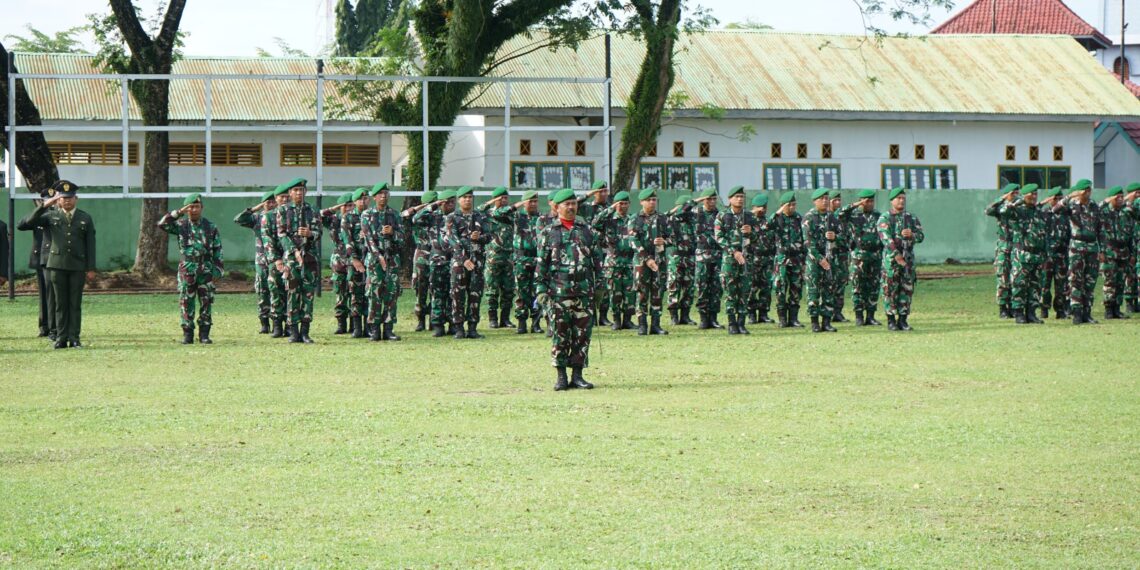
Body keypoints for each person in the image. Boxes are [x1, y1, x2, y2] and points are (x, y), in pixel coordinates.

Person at [536, 188, 603, 391]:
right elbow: (541, 264)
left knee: (582, 334)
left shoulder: (587, 230)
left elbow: (597, 261)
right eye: (567, 204)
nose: (572, 207)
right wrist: (541, 289)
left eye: (574, 203)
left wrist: (600, 288)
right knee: (560, 334)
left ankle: (578, 375)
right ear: (557, 208)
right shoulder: (548, 232)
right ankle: (561, 376)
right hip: (559, 292)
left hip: (583, 291)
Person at [17, 180, 96, 349]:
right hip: (56, 265)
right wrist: (45, 205)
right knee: (59, 303)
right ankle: (60, 337)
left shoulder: (85, 217)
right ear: (58, 200)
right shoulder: (51, 216)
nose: (67, 200)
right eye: (63, 198)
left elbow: (90, 244)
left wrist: (90, 268)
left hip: (77, 266)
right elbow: (25, 224)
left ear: (76, 199)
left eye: (70, 197)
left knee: (75, 303)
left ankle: (74, 337)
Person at [158, 193, 224, 344]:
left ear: (202, 208)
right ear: (186, 209)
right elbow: (162, 224)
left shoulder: (210, 226)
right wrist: (178, 212)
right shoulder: (181, 225)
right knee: (186, 301)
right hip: (187, 267)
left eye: (197, 207)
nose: (194, 210)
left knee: (206, 301)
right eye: (190, 207)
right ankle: (187, 334)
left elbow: (218, 249)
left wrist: (218, 269)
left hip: (206, 268)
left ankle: (204, 335)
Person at [272, 177, 321, 343]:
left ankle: (305, 331)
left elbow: (319, 232)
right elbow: (281, 234)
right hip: (292, 260)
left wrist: (310, 234)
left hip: (310, 258)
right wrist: (294, 251)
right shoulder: (283, 211)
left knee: (308, 294)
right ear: (290, 193)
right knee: (292, 294)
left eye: (301, 190)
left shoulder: (313, 210)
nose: (299, 193)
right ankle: (293, 331)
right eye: (295, 190)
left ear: (305, 192)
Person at [360, 183, 404, 341]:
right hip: (374, 260)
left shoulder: (395, 214)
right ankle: (374, 329)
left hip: (392, 258)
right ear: (374, 197)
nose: (383, 196)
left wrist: (393, 233)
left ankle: (389, 328)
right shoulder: (367, 214)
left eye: (386, 193)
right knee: (374, 292)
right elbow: (368, 238)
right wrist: (378, 256)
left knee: (391, 293)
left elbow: (402, 238)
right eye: (380, 194)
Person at [999, 184, 1048, 324]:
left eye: (1035, 194)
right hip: (1022, 253)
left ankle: (1031, 313)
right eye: (1030, 194)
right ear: (1024, 195)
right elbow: (1003, 211)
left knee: (1035, 286)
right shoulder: (1018, 211)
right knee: (1019, 284)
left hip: (1037, 255)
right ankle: (1019, 313)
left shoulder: (1038, 211)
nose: (1034, 197)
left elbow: (1043, 233)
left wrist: (1045, 253)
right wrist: (1018, 200)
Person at [446, 186, 491, 339]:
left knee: (475, 295)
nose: (467, 200)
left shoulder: (480, 216)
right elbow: (452, 239)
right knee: (457, 295)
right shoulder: (452, 217)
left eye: (470, 197)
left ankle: (472, 328)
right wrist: (463, 259)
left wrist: (479, 237)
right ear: (459, 200)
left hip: (477, 261)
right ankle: (458, 328)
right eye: (464, 197)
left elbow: (489, 237)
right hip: (459, 263)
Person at [878, 187, 925, 331]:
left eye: (903, 198)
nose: (901, 201)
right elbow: (885, 238)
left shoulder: (911, 218)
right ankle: (891, 320)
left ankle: (903, 319)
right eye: (898, 198)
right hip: (892, 261)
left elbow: (921, 236)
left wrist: (912, 235)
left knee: (906, 289)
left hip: (908, 259)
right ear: (892, 200)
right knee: (889, 290)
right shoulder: (885, 218)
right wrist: (896, 255)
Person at [713, 186, 757, 334]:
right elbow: (719, 237)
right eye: (737, 196)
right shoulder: (722, 216)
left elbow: (759, 238)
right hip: (730, 260)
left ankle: (741, 322)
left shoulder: (750, 216)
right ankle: (732, 323)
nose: (740, 199)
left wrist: (752, 233)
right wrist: (734, 252)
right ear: (730, 199)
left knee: (745, 291)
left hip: (747, 259)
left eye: (742, 196)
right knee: (730, 290)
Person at [628, 188, 672, 335]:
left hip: (659, 261)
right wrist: (647, 259)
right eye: (649, 200)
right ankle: (642, 324)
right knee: (641, 292)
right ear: (641, 202)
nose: (652, 202)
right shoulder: (635, 219)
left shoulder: (662, 218)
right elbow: (633, 241)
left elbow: (673, 238)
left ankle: (655, 324)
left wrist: (664, 241)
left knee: (657, 292)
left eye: (654, 200)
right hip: (642, 263)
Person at [413, 190, 457, 337]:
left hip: (451, 258)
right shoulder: (432, 217)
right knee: (429, 291)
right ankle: (430, 322)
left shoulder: (455, 217)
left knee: (452, 293)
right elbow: (415, 218)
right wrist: (432, 206)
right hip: (431, 258)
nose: (450, 205)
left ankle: (450, 322)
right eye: (447, 202)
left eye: (452, 202)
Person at [592, 190, 636, 331]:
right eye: (620, 204)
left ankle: (628, 320)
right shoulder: (608, 221)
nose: (623, 206)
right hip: (613, 262)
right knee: (614, 293)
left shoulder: (632, 220)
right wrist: (610, 209)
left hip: (629, 261)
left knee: (630, 293)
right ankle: (616, 320)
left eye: (625, 203)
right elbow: (595, 223)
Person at [234, 190, 277, 333]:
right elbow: (238, 219)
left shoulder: (280, 217)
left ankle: (279, 321)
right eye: (267, 202)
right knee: (262, 290)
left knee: (278, 290)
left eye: (273, 202)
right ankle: (264, 323)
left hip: (277, 260)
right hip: (262, 260)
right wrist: (254, 209)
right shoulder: (257, 218)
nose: (271, 205)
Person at [1062, 179, 1103, 325]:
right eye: (1085, 190)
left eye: (1089, 189)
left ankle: (1087, 313)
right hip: (1077, 247)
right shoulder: (1071, 205)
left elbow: (1100, 229)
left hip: (1092, 247)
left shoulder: (1094, 206)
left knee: (1090, 282)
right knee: (1075, 280)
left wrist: (1102, 249)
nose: (1087, 192)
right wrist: (1069, 196)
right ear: (1078, 192)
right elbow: (1055, 209)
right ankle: (1077, 313)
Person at [840, 189, 882, 326]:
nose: (869, 204)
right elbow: (839, 214)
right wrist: (856, 204)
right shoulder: (853, 216)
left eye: (871, 201)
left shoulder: (878, 216)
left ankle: (870, 316)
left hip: (875, 255)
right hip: (859, 256)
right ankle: (859, 316)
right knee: (858, 286)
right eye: (866, 201)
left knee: (873, 287)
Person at [577, 181, 613, 326]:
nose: (603, 194)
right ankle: (591, 315)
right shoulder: (587, 208)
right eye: (600, 191)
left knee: (605, 284)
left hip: (608, 250)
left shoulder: (612, 208)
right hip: (592, 250)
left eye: (605, 191)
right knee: (590, 283)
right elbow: (576, 203)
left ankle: (603, 316)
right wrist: (588, 194)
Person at [803, 188, 838, 333]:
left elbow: (845, 237)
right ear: (815, 201)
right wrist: (819, 259)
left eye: (826, 198)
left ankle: (827, 322)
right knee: (813, 291)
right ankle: (814, 322)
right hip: (814, 262)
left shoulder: (833, 217)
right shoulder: (809, 218)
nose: (824, 201)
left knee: (829, 291)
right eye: (821, 199)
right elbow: (808, 242)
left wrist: (835, 237)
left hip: (830, 260)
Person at [480, 187, 515, 329]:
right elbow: (479, 209)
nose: (504, 201)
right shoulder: (488, 213)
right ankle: (492, 319)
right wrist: (493, 201)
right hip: (492, 257)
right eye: (501, 198)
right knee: (492, 289)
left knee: (508, 289)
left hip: (508, 257)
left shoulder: (511, 214)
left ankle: (505, 319)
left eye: (506, 198)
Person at [402, 189, 438, 332]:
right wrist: (424, 207)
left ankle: (434, 320)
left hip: (437, 254)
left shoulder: (439, 217)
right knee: (420, 289)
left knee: (436, 288)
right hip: (422, 255)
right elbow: (405, 214)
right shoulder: (418, 216)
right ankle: (421, 320)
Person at [320, 192, 354, 334]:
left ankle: (355, 324)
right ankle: (341, 324)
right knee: (340, 293)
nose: (349, 208)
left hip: (354, 260)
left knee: (355, 292)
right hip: (339, 260)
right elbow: (319, 216)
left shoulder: (359, 218)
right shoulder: (333, 220)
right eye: (346, 206)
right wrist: (335, 208)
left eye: (351, 205)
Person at [771, 191, 805, 328]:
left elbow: (804, 239)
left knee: (796, 289)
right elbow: (766, 226)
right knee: (780, 288)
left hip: (796, 259)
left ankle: (794, 319)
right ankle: (782, 319)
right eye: (789, 205)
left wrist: (803, 261)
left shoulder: (798, 218)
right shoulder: (777, 218)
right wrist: (778, 212)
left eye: (794, 205)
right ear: (783, 206)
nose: (792, 207)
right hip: (782, 260)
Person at [986, 183, 1020, 318]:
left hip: (1018, 246)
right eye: (1013, 193)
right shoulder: (1000, 207)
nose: (1016, 196)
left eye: (1017, 193)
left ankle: (1014, 306)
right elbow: (988, 210)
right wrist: (1002, 198)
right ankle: (1003, 307)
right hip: (1004, 246)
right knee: (1003, 277)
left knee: (1016, 278)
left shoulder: (1019, 207)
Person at [341, 188, 370, 338]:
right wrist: (355, 259)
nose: (363, 202)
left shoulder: (373, 215)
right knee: (356, 294)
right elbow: (347, 240)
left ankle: (369, 326)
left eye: (365, 199)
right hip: (355, 261)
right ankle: (357, 327)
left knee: (369, 294)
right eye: (360, 199)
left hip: (371, 260)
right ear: (355, 201)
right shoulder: (348, 217)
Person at [693, 188, 724, 329]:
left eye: (713, 199)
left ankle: (713, 318)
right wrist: (697, 201)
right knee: (702, 287)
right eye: (708, 199)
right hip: (702, 256)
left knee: (716, 288)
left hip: (717, 255)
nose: (711, 202)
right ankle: (704, 319)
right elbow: (680, 212)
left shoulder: (720, 214)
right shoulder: (696, 213)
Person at [1100, 186, 1132, 319]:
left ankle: (1117, 308)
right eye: (1117, 197)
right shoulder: (1105, 211)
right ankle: (1108, 308)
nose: (1120, 199)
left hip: (1123, 250)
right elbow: (1099, 207)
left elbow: (1130, 232)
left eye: (1121, 197)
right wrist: (1108, 200)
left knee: (1120, 281)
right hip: (1110, 251)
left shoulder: (1125, 212)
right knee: (1109, 281)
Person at [665, 194, 697, 326]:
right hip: (676, 257)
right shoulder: (672, 219)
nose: (688, 212)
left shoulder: (693, 221)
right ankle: (674, 316)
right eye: (686, 208)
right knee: (674, 286)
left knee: (689, 288)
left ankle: (685, 315)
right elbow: (674, 213)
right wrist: (690, 203)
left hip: (690, 257)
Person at [1039, 187, 1070, 319]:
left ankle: (1060, 310)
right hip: (1047, 255)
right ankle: (1044, 309)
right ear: (1050, 199)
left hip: (1062, 254)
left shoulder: (1066, 214)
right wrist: (1043, 202)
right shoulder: (1045, 213)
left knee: (1061, 285)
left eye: (1060, 199)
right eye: (1055, 199)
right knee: (1045, 284)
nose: (1058, 201)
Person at [747, 194, 776, 324]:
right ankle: (751, 314)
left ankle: (763, 314)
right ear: (753, 207)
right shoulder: (748, 220)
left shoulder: (768, 222)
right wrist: (753, 212)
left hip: (767, 259)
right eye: (759, 207)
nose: (762, 209)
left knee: (766, 288)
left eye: (764, 207)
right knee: (752, 287)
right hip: (752, 259)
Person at [827, 189, 852, 322]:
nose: (837, 202)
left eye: (839, 200)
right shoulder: (825, 216)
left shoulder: (841, 217)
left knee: (841, 283)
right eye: (834, 200)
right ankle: (827, 312)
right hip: (829, 256)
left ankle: (837, 312)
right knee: (828, 284)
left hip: (841, 255)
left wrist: (838, 238)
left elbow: (846, 238)